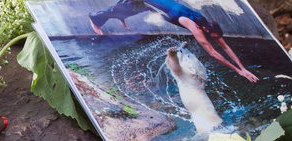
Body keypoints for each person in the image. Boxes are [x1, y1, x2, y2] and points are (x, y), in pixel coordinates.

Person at [88, 0, 260, 82]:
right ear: (207, 31)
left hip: (155, 3)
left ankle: (121, 14)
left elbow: (226, 48)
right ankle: (95, 18)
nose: (214, 40)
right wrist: (238, 72)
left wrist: (243, 68)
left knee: (127, 10)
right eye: (212, 38)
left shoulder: (208, 24)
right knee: (122, 9)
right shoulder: (194, 26)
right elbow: (214, 53)